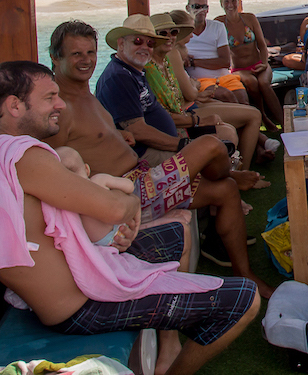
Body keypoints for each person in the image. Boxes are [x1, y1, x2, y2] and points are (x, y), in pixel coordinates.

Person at [0, 61, 259, 375]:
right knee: (246, 300)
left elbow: (67, 221)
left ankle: (171, 342)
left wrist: (118, 219)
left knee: (176, 232)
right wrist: (130, 206)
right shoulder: (24, 157)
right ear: (15, 105)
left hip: (78, 281)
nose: (60, 104)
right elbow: (116, 209)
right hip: (83, 305)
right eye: (50, 97)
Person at [47, 19, 274, 298]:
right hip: (126, 193)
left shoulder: (87, 94)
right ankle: (232, 175)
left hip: (140, 176)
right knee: (211, 146)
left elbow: (94, 137)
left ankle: (245, 273)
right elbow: (55, 169)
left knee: (224, 190)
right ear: (55, 58)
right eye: (76, 54)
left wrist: (118, 134)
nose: (86, 61)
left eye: (90, 53)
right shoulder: (60, 109)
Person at [145, 12, 270, 175]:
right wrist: (195, 87)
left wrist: (195, 89)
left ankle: (253, 154)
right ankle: (244, 170)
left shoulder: (168, 56)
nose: (170, 37)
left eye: (173, 32)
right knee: (250, 114)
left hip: (188, 106)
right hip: (186, 111)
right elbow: (187, 95)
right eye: (163, 34)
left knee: (234, 102)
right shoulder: (169, 55)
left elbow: (184, 93)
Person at [216, 0, 284, 126]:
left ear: (239, 2)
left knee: (264, 83)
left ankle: (284, 122)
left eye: (234, 1)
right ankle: (262, 117)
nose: (230, 5)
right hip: (238, 69)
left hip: (259, 62)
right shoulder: (218, 23)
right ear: (221, 4)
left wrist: (264, 63)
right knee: (252, 83)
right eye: (226, 1)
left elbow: (262, 45)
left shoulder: (249, 18)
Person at [56, 145, 136, 246]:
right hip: (119, 230)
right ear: (87, 169)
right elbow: (129, 187)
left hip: (100, 243)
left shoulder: (61, 202)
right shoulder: (98, 180)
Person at [183, 0, 249, 105]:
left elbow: (225, 62)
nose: (201, 10)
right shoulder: (181, 33)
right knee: (227, 95)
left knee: (243, 99)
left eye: (204, 7)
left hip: (225, 77)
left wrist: (194, 62)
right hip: (200, 80)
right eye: (196, 6)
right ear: (187, 8)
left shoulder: (217, 27)